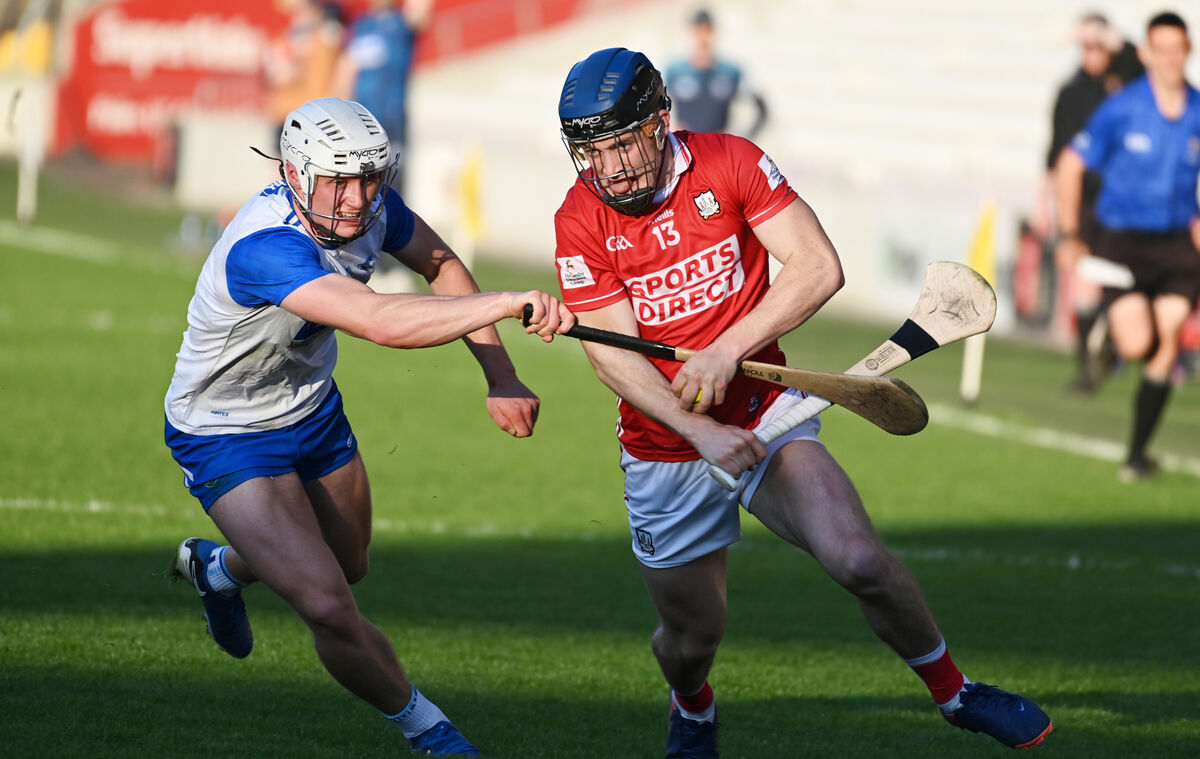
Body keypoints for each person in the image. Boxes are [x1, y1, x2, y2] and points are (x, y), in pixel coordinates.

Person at [551, 47, 1053, 757]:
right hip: (665, 446)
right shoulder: (579, 219)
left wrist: (728, 348)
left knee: (859, 560)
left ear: (661, 121)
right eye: (594, 152)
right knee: (692, 638)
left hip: (767, 414)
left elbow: (819, 265)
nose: (613, 167)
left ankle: (955, 692)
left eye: (624, 143)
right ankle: (692, 706)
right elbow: (614, 358)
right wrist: (698, 430)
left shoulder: (732, 163)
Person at [164, 96, 571, 757]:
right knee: (327, 605)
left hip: (311, 410)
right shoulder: (265, 247)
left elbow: (439, 263)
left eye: (370, 177)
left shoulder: (375, 209)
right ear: (296, 174)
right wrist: (504, 300)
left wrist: (499, 373)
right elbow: (380, 322)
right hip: (225, 432)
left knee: (347, 565)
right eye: (340, 180)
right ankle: (431, 731)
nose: (357, 199)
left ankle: (220, 570)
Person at [1054, 11, 1200, 482]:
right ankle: (1115, 340)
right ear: (1146, 54)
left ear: (1189, 50)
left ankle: (1136, 456)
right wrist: (1071, 236)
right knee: (1141, 342)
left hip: (1177, 242)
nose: (1171, 59)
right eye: (1162, 49)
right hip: (1124, 241)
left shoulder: (1198, 108)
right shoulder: (1123, 107)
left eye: (1179, 49)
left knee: (1169, 339)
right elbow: (1069, 166)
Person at [1035, 12, 1144, 393]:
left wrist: (1109, 35)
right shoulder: (1071, 92)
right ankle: (1086, 364)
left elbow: (1143, 60)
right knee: (1083, 284)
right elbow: (1054, 155)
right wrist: (1044, 206)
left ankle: (1115, 343)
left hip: (1125, 203)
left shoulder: (1128, 84)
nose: (1092, 51)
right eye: (1087, 44)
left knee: (1124, 280)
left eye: (1099, 44)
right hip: (1082, 202)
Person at [336, 0, 433, 196]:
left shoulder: (401, 22)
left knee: (393, 180)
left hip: (392, 116)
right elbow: (346, 69)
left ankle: (395, 224)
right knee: (363, 180)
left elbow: (421, 12)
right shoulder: (361, 25)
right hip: (362, 119)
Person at [664, 8, 768, 140]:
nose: (702, 37)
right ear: (690, 32)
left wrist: (743, 137)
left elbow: (761, 109)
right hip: (685, 147)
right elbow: (655, 108)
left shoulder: (730, 72)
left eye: (707, 30)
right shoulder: (675, 71)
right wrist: (669, 130)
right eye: (698, 30)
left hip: (719, 148)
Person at [265, 0, 345, 129]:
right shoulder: (285, 40)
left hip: (317, 113)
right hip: (287, 112)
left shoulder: (328, 37)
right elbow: (278, 75)